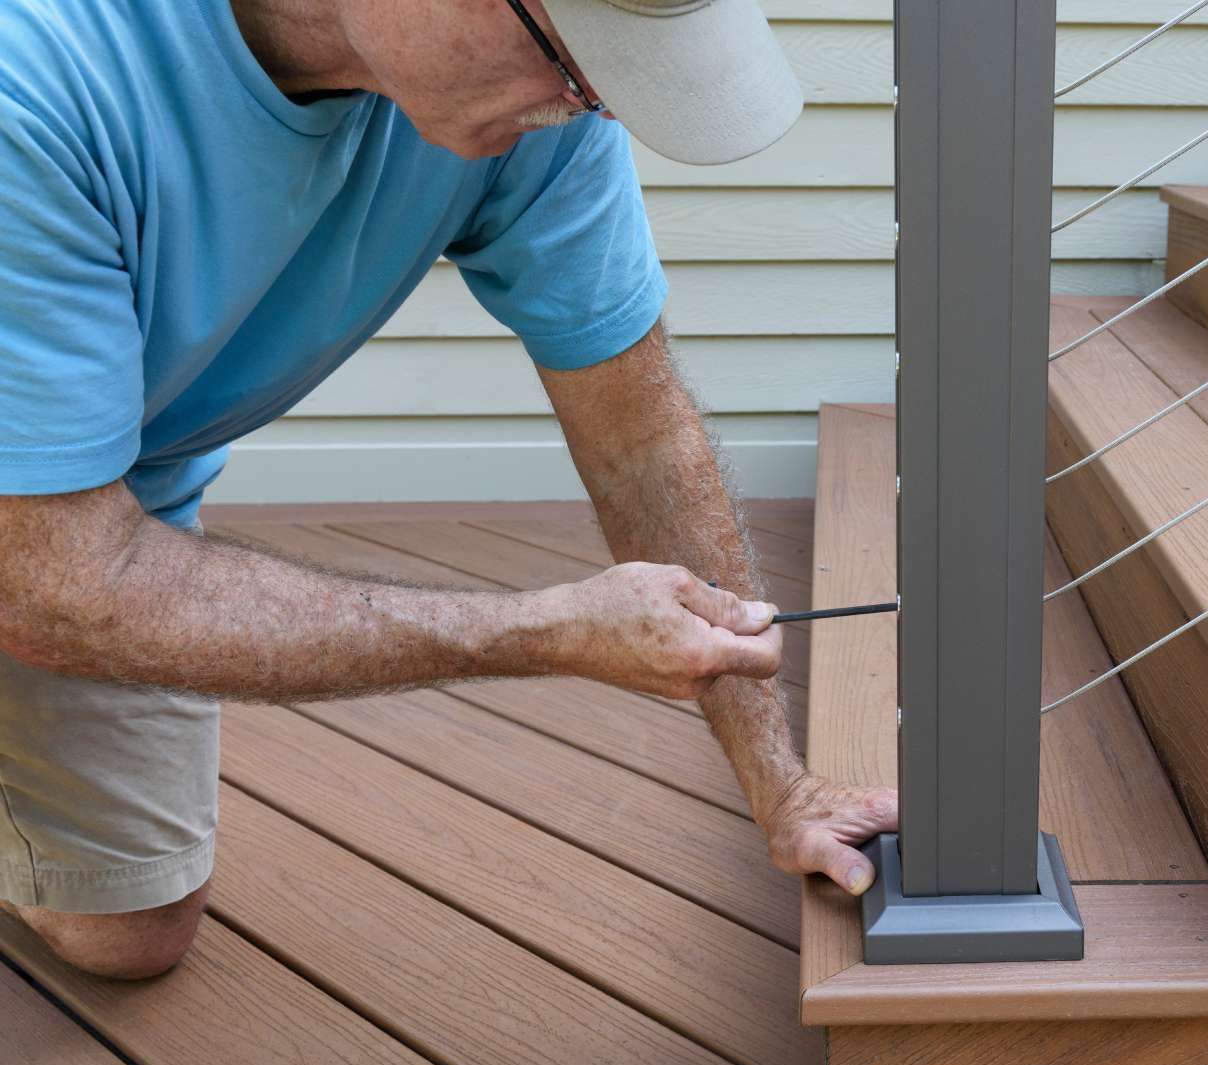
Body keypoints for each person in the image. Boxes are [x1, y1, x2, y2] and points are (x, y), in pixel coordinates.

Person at [0, 0, 895, 980]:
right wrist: (537, 630)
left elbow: (638, 431)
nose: (591, 101)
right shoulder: (39, 76)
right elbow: (53, 587)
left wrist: (783, 788)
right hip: (49, 549)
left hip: (87, 505)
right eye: (570, 54)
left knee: (129, 934)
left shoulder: (547, 122)